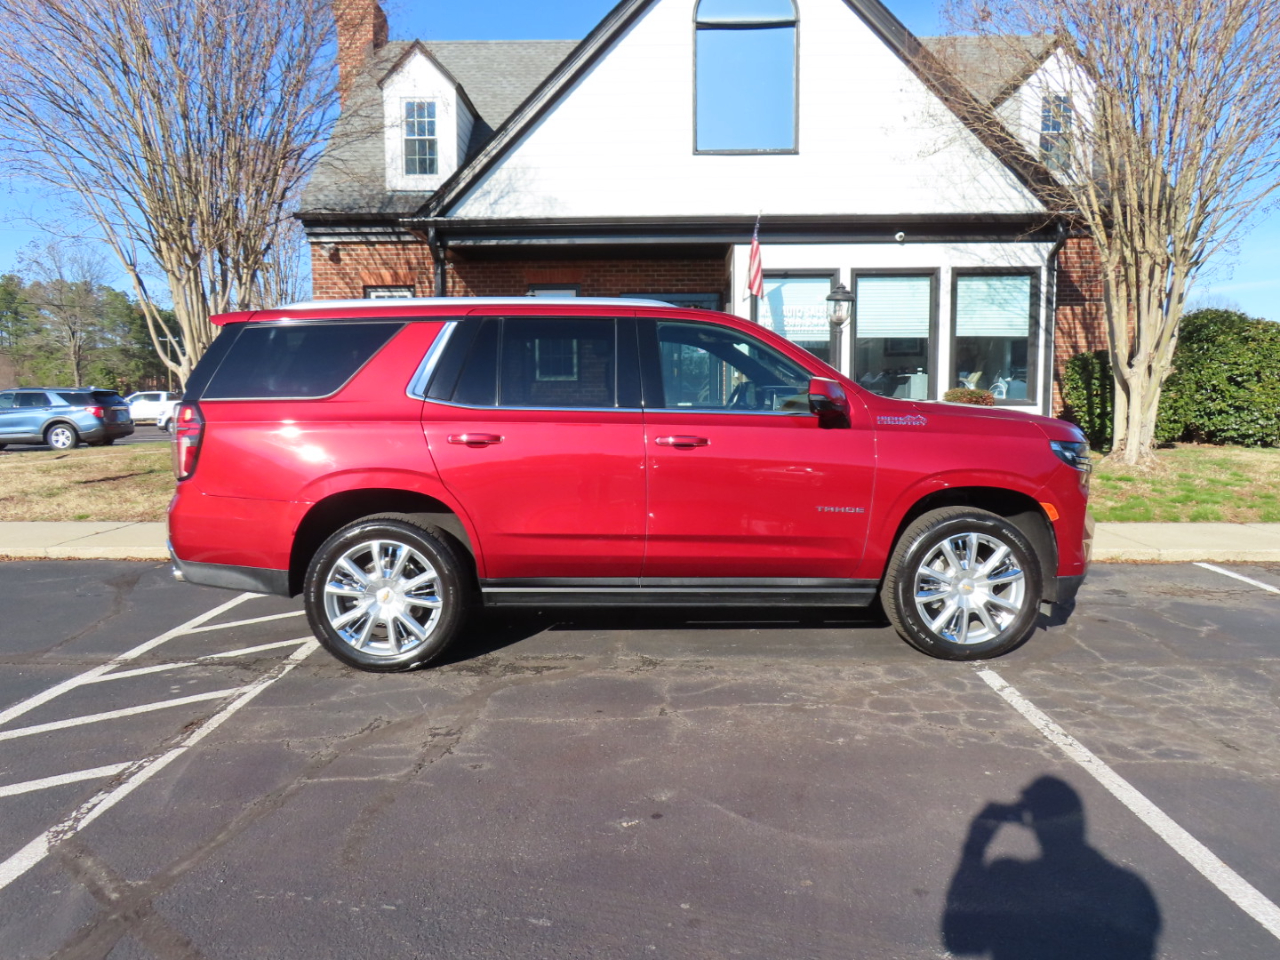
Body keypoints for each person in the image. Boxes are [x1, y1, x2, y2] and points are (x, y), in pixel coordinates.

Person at [942, 776, 1160, 959]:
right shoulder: (1129, 889)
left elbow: (959, 939)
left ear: (1033, 823)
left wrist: (974, 846)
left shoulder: (1011, 880)